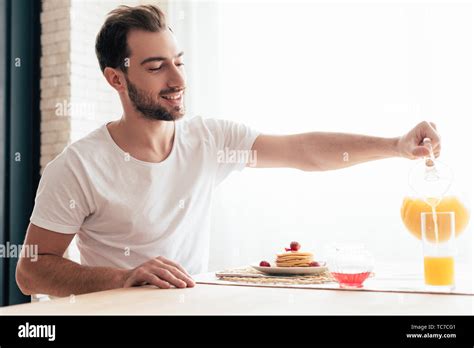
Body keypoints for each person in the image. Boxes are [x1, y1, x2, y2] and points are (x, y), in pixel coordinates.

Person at [16, 5, 441, 297]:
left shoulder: (211, 140)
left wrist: (396, 146)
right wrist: (123, 277)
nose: (177, 78)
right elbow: (31, 270)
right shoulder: (76, 167)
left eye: (178, 60)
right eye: (156, 66)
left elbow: (302, 150)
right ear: (116, 79)